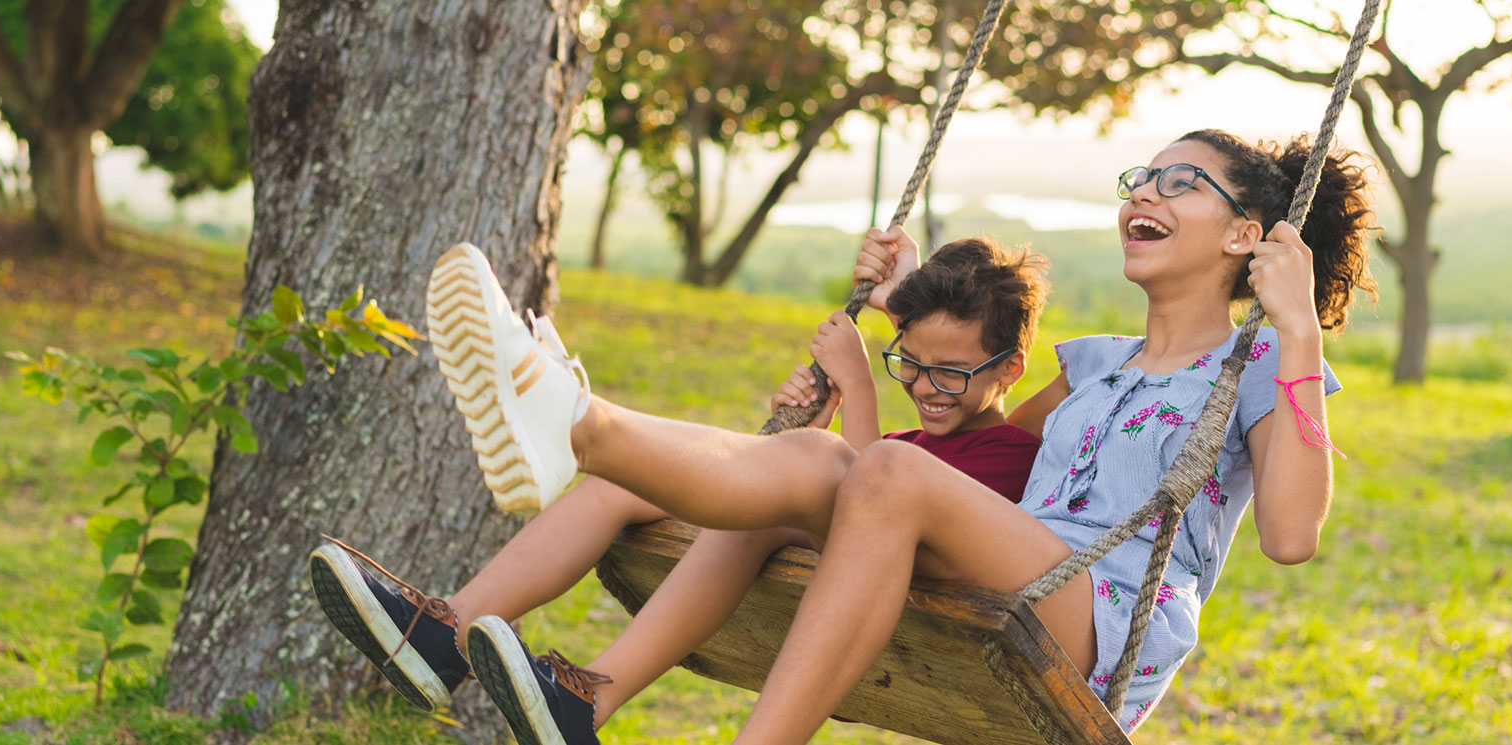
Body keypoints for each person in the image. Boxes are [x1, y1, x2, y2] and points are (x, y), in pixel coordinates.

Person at [308, 238, 1053, 739]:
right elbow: (866, 472)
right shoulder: (920, 435)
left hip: (912, 614)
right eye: (909, 365)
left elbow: (873, 509)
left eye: (951, 373)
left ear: (1009, 370)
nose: (925, 386)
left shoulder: (1004, 457)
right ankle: (448, 634)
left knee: (802, 469)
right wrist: (845, 379)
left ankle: (570, 416)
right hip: (833, 553)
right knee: (616, 488)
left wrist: (858, 384)